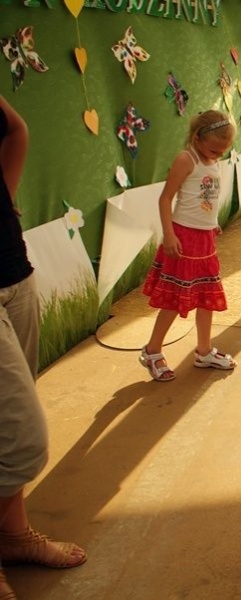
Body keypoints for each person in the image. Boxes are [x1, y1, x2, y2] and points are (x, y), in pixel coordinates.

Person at [1, 95, 86, 599]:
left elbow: (15, 129)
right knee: (22, 439)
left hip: (12, 270)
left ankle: (12, 535)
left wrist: (5, 198)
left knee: (5, 422)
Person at [140, 110, 237, 382]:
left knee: (206, 297)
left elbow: (206, 197)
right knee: (173, 298)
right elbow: (165, 198)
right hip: (182, 239)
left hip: (205, 239)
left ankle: (204, 350)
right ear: (197, 137)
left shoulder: (210, 159)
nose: (217, 155)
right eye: (214, 149)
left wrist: (211, 222)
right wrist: (169, 235)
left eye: (222, 152)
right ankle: (152, 350)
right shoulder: (187, 158)